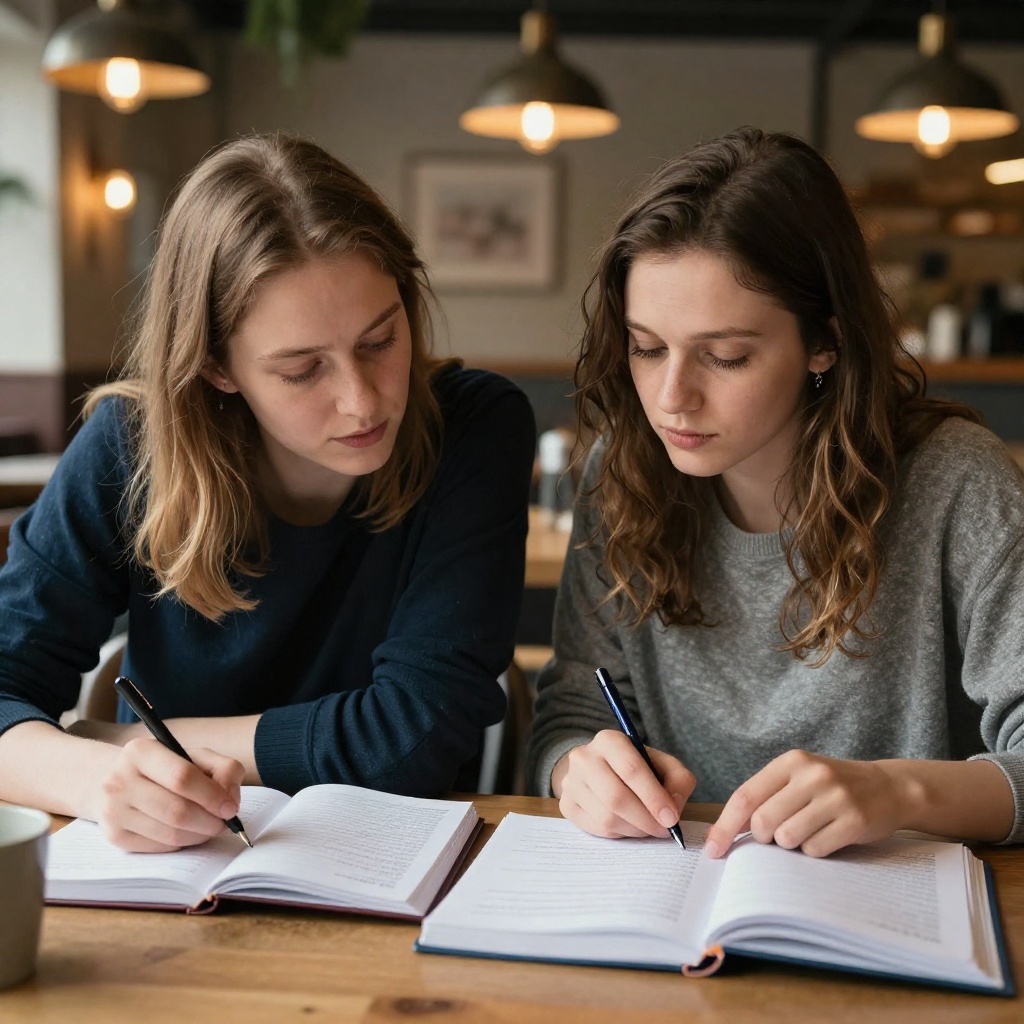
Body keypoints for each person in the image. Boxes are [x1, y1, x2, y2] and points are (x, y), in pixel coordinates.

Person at [0, 133, 535, 853]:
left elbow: (414, 739)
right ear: (218, 366)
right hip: (177, 872)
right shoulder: (132, 444)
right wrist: (98, 778)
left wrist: (140, 740)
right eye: (302, 369)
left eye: (380, 340)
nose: (362, 401)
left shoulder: (474, 427)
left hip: (391, 869)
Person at [526, 126, 1024, 859]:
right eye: (646, 347)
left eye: (724, 357)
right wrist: (578, 769)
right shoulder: (621, 470)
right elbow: (571, 710)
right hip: (673, 902)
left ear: (825, 342)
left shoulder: (957, 483)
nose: (670, 399)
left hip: (894, 912)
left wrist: (898, 792)